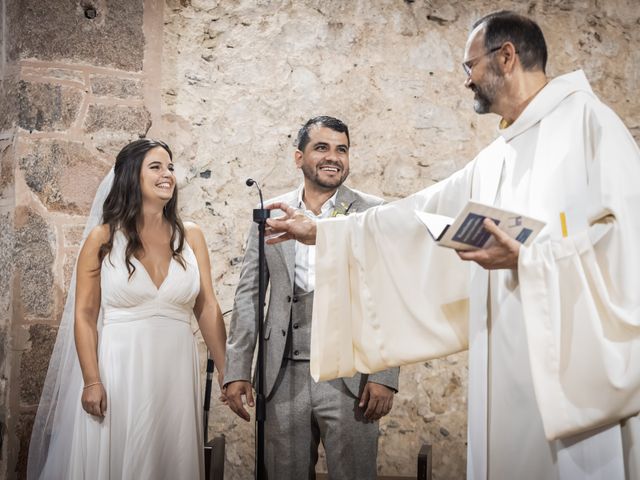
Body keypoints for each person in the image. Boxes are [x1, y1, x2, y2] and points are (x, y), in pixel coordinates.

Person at [265, 11, 640, 480]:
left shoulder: (590, 124)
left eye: (470, 66)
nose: (466, 81)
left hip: (569, 369)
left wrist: (532, 258)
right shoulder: (499, 154)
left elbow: (628, 242)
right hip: (503, 354)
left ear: (506, 57)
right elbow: (418, 215)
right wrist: (325, 231)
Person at [27, 139, 227, 480]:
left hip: (175, 371)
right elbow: (85, 316)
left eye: (170, 167)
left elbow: (207, 306)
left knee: (170, 455)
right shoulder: (102, 238)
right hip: (121, 369)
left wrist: (227, 372)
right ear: (131, 177)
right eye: (156, 167)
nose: (167, 174)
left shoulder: (190, 236)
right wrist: (91, 381)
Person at [224, 116, 399, 479]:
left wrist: (385, 374)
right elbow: (249, 296)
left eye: (342, 149)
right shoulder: (269, 213)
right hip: (282, 374)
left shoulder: (375, 211)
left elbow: (389, 292)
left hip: (352, 378)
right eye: (322, 147)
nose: (333, 157)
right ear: (298, 157)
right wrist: (238, 369)